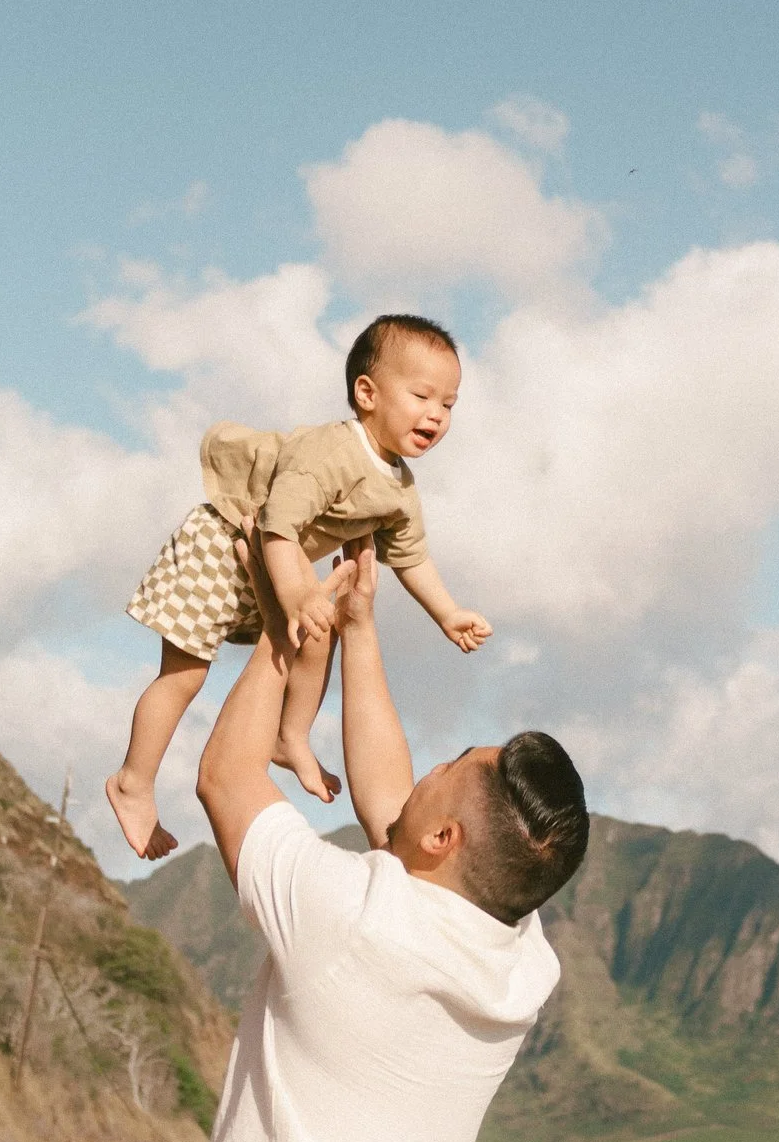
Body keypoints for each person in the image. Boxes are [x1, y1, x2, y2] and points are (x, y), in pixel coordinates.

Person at [189, 533, 587, 1142]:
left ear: (444, 837)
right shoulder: (524, 958)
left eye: (449, 765)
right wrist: (361, 625)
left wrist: (288, 619)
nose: (430, 768)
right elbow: (399, 819)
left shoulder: (351, 918)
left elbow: (226, 777)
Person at [107, 313, 493, 859]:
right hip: (220, 544)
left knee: (320, 632)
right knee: (185, 676)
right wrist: (296, 595)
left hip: (273, 565)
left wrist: (447, 613)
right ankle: (132, 781)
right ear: (367, 393)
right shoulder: (330, 453)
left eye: (448, 404)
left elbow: (412, 558)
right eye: (422, 396)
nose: (437, 414)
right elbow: (277, 524)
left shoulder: (400, 489)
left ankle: (289, 737)